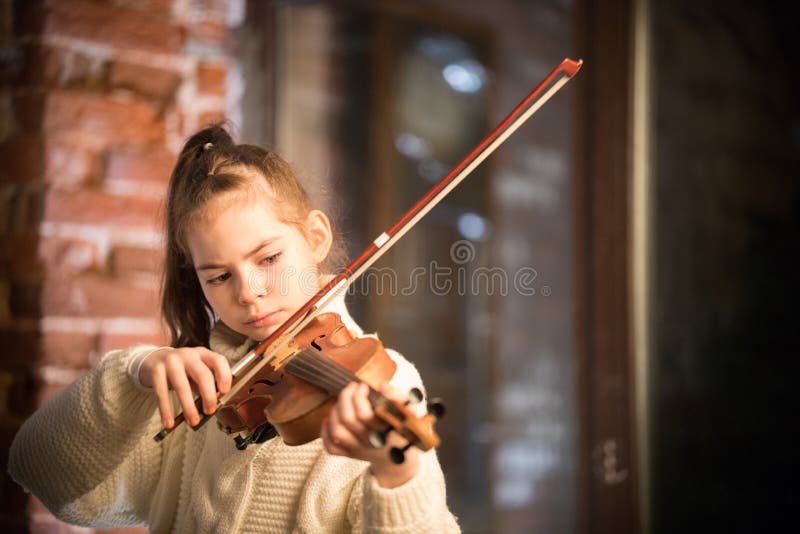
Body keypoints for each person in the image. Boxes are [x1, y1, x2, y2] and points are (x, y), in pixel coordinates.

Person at [8, 125, 459, 533]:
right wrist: (133, 371)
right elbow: (38, 469)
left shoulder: (388, 380)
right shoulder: (203, 393)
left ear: (315, 237)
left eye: (268, 259)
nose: (248, 292)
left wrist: (397, 474)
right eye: (219, 277)